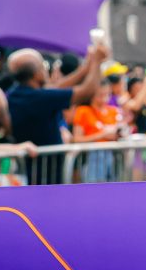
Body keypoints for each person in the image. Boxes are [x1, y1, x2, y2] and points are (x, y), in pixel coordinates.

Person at [6, 45, 106, 183]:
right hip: (46, 176)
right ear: (37, 74)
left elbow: (55, 89)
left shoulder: (15, 94)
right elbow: (87, 91)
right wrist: (97, 62)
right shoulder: (39, 99)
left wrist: (85, 68)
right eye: (44, 66)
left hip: (31, 171)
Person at [72, 80, 125, 182]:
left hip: (114, 155)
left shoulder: (114, 110)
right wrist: (102, 135)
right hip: (92, 157)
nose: (105, 98)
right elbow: (76, 138)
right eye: (101, 95)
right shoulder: (83, 111)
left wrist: (119, 133)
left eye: (107, 94)